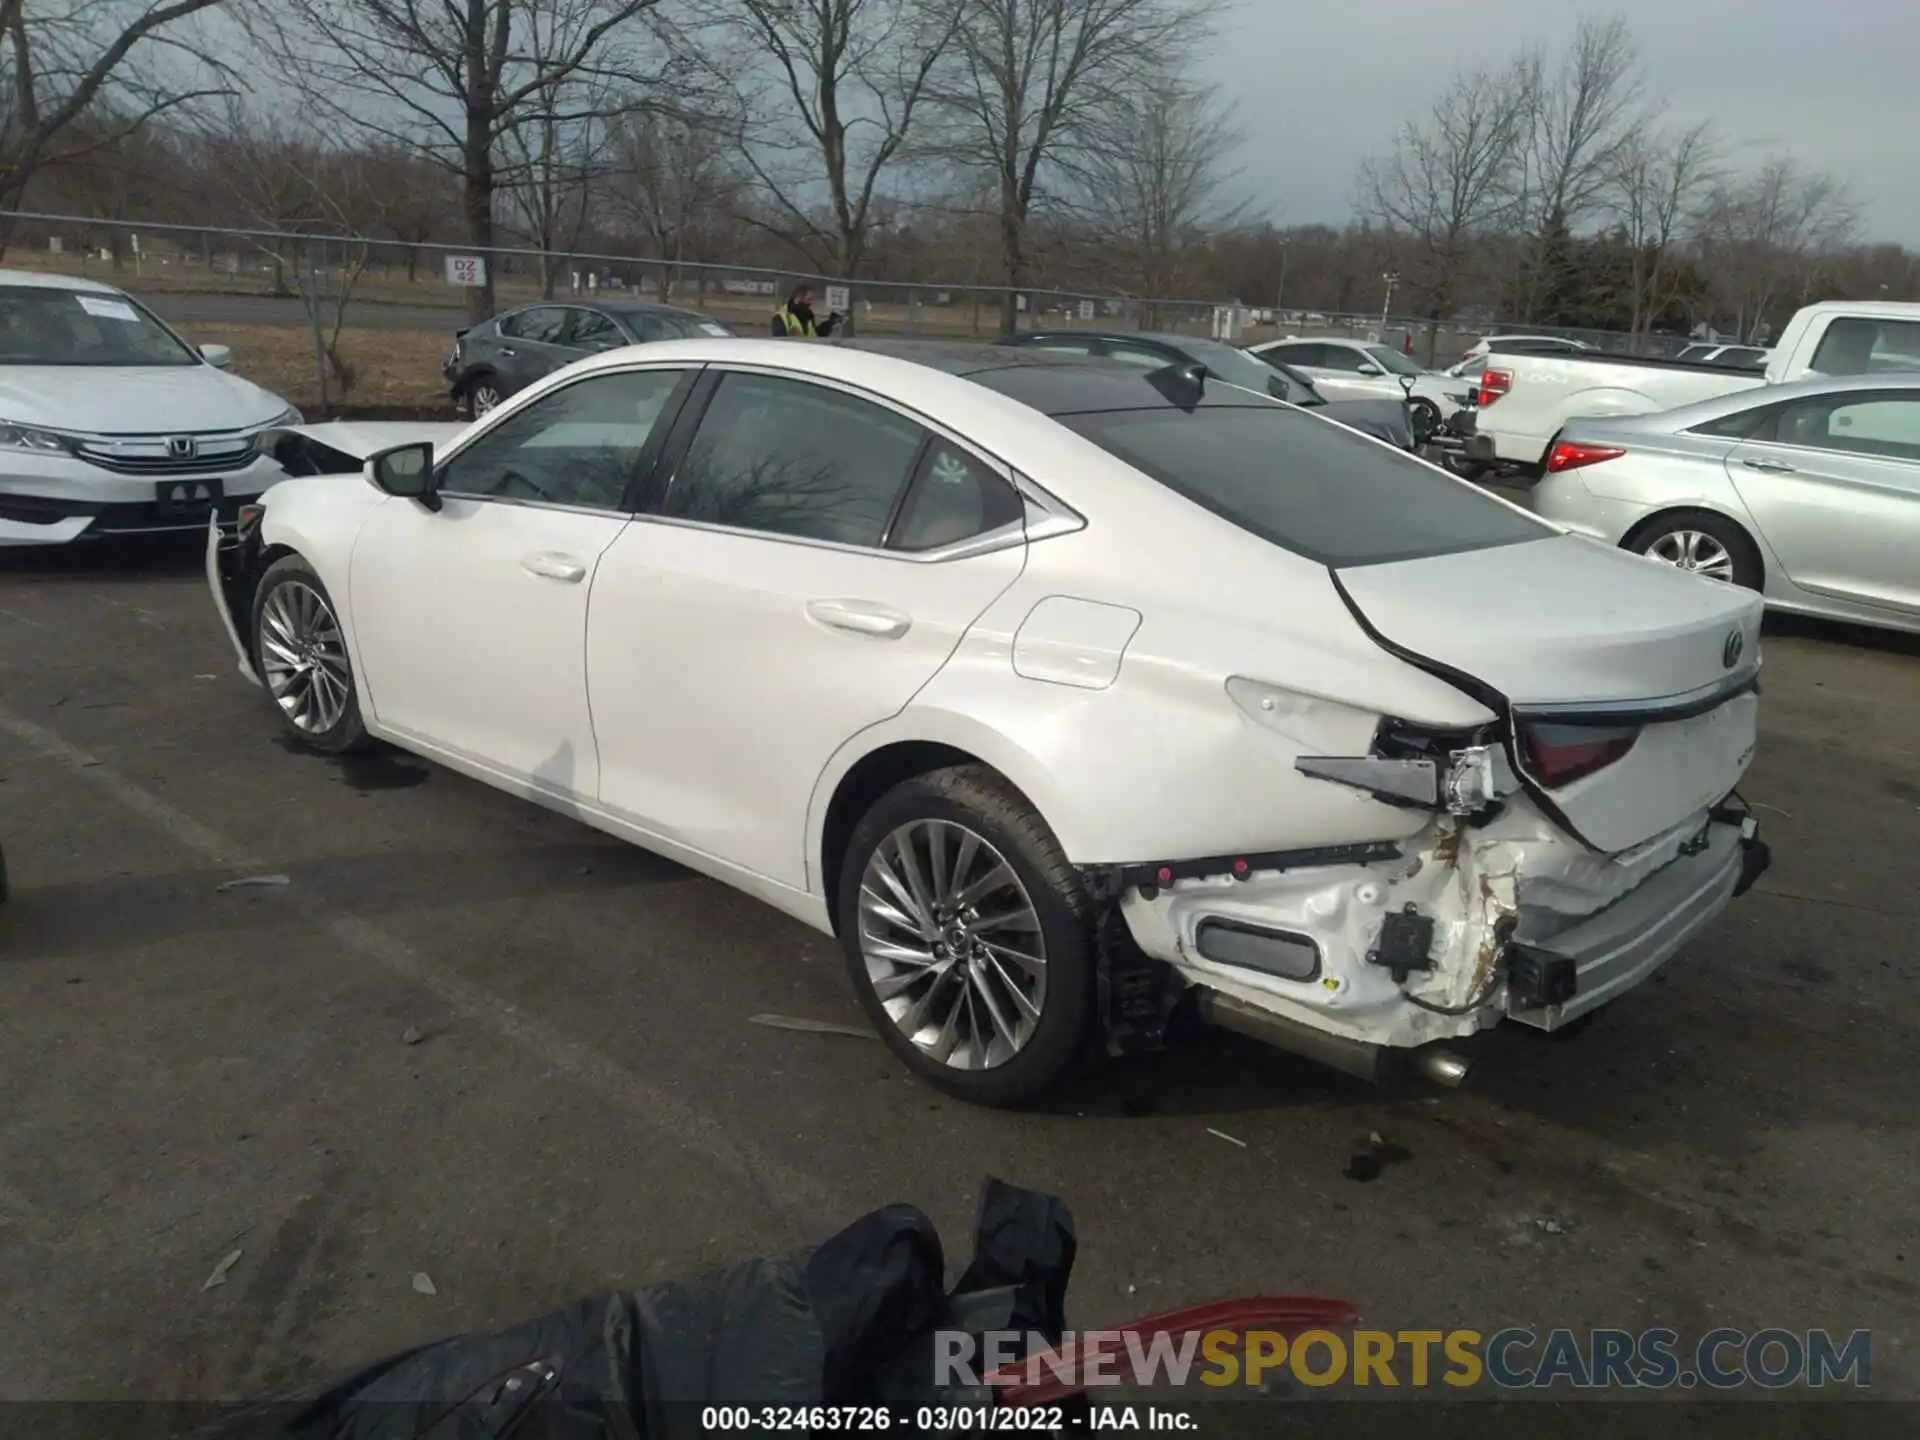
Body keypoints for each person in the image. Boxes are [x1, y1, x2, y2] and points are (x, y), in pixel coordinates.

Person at [771, 286, 841, 338]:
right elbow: (780, 343)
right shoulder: (781, 318)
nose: (811, 303)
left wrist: (829, 323)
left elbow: (814, 336)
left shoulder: (808, 316)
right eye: (809, 299)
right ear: (797, 299)